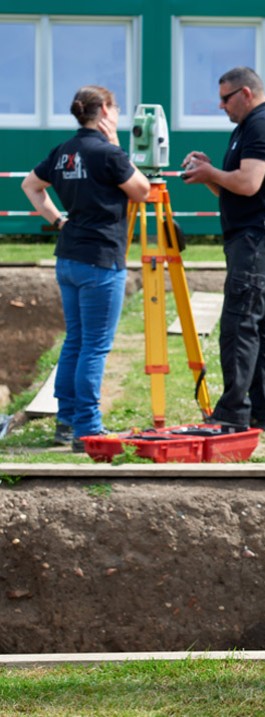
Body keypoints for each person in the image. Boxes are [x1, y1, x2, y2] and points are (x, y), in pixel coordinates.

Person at [21, 86, 151, 452]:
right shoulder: (109, 153)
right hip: (101, 260)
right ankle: (87, 428)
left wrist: (58, 221)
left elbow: (30, 185)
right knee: (94, 346)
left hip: (69, 256)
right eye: (116, 109)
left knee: (76, 341)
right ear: (106, 109)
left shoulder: (64, 151)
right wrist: (120, 149)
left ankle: (66, 420)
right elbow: (141, 191)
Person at [181, 67, 265, 433]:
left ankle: (234, 412)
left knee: (240, 321)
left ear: (246, 93)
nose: (221, 106)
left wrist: (212, 173)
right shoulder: (249, 127)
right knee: (261, 322)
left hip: (261, 238)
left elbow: (247, 184)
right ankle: (260, 413)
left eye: (226, 98)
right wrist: (208, 175)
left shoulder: (262, 124)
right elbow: (236, 189)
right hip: (260, 236)